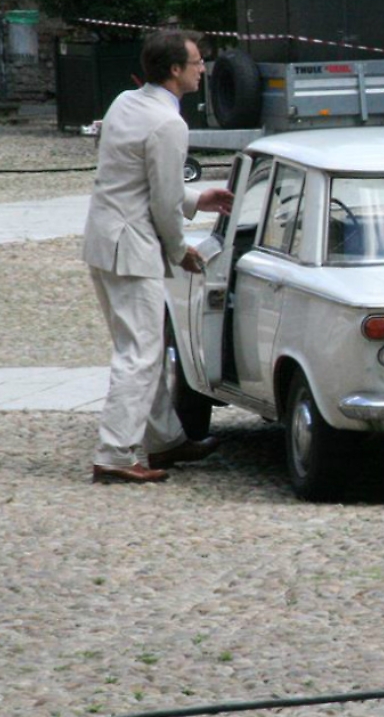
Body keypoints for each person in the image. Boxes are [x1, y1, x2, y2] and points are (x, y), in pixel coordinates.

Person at [83, 29, 233, 483]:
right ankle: (114, 453)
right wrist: (180, 250)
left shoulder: (125, 102)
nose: (203, 68)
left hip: (104, 239)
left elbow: (138, 179)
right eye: (196, 62)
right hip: (132, 247)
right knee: (142, 352)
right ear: (175, 70)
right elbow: (163, 201)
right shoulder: (170, 123)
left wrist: (196, 198)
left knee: (138, 346)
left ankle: (166, 440)